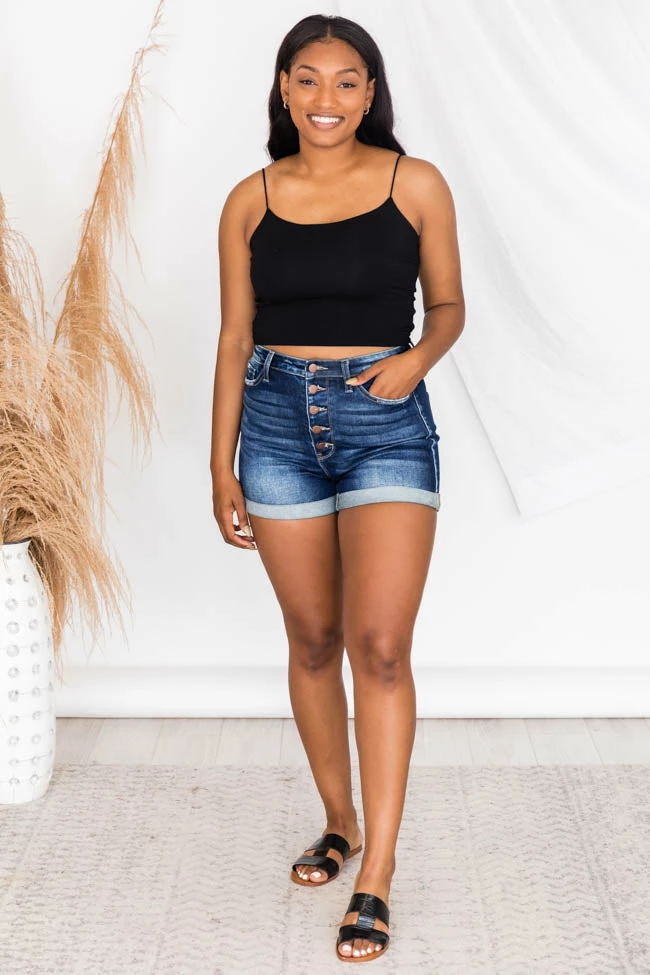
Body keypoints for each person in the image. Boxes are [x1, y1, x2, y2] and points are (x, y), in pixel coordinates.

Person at [211, 13, 464, 963]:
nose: (326, 98)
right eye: (308, 79)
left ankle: (377, 872)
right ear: (284, 90)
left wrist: (417, 360)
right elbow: (234, 337)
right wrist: (221, 460)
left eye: (346, 80)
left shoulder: (415, 183)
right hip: (275, 422)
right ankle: (338, 819)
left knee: (381, 647)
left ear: (371, 92)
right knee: (313, 638)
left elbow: (449, 305)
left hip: (384, 421)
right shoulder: (249, 199)